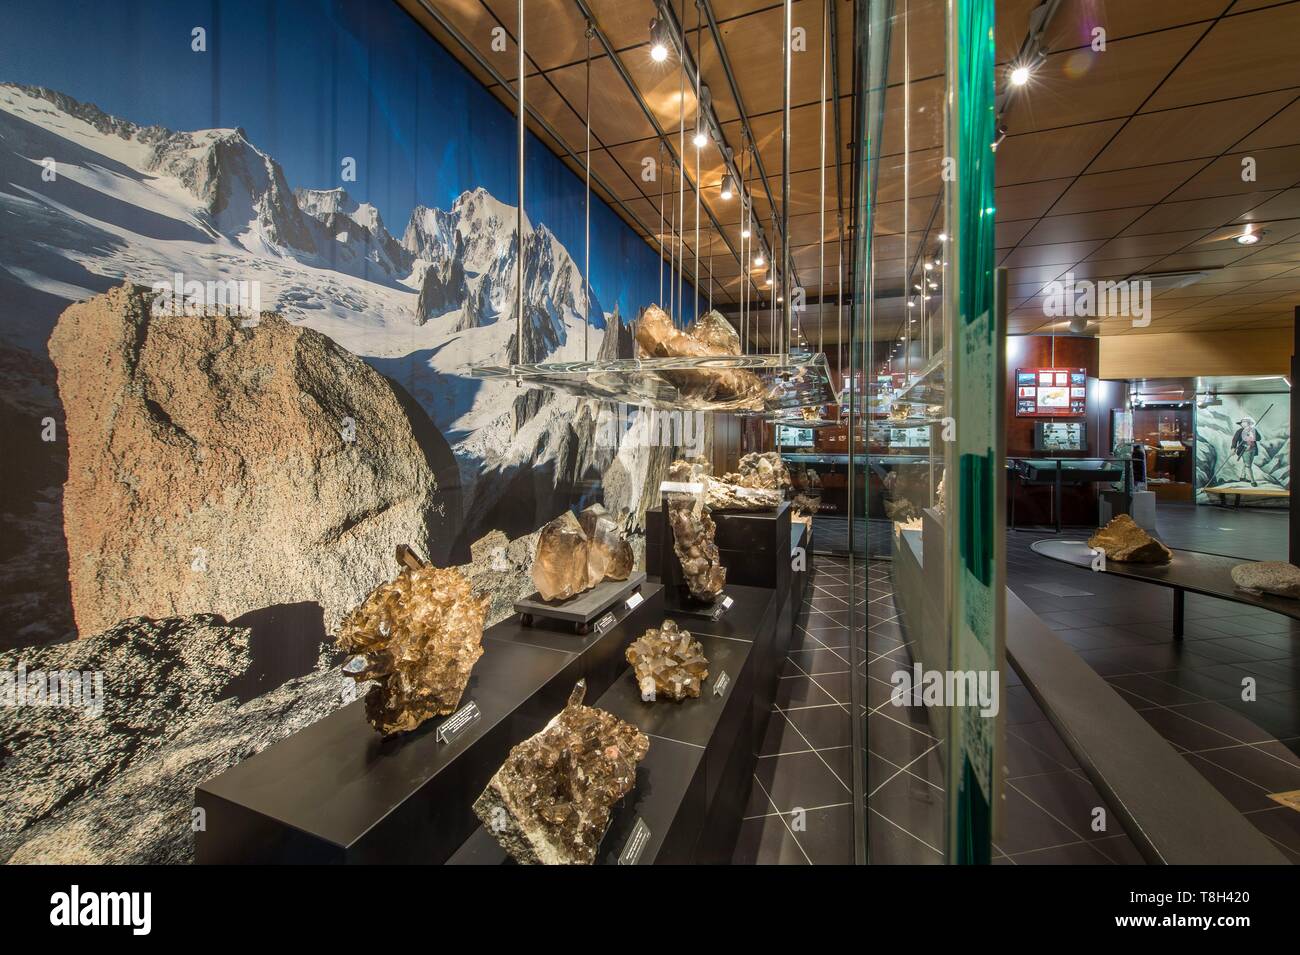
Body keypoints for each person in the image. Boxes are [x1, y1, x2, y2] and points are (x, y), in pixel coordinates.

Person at [1231, 416, 1263, 486]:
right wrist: (1233, 448)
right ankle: (1252, 481)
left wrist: (1252, 434)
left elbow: (1259, 438)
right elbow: (1235, 440)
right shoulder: (1239, 431)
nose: (1243, 424)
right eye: (1243, 423)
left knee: (1247, 464)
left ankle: (1242, 477)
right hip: (1244, 450)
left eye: (1246, 423)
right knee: (1248, 465)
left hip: (1253, 449)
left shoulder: (1253, 430)